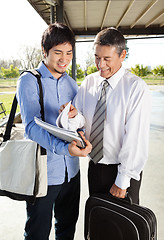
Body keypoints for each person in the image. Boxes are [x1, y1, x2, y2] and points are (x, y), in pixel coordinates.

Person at [17, 22, 91, 240]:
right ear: (44, 51)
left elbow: (78, 123)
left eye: (69, 53)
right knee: (37, 232)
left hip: (72, 171)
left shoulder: (71, 83)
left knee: (67, 228)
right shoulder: (29, 81)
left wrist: (76, 118)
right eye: (58, 52)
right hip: (44, 171)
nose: (64, 59)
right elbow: (31, 128)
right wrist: (64, 148)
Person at [72, 27, 151, 204]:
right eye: (97, 58)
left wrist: (123, 180)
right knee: (97, 224)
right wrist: (73, 116)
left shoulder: (135, 88)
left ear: (122, 55)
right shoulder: (89, 82)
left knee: (122, 229)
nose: (101, 64)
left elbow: (135, 138)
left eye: (107, 59)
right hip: (95, 167)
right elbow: (81, 119)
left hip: (122, 172)